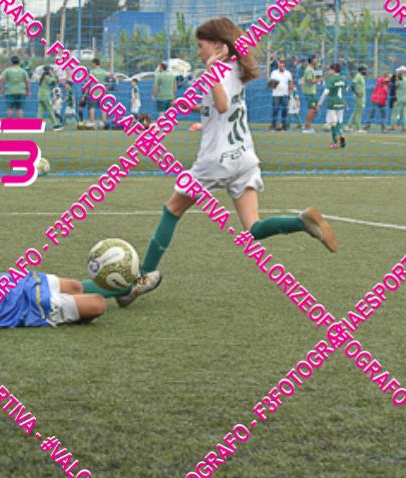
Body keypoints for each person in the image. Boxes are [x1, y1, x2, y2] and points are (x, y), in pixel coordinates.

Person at [130, 17, 338, 306]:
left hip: (217, 160)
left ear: (218, 45)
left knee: (171, 210)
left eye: (201, 45)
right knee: (253, 228)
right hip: (245, 157)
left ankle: (143, 276)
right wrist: (193, 105)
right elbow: (220, 105)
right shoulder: (237, 68)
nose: (199, 52)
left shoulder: (218, 71)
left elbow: (222, 104)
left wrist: (211, 68)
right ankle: (301, 222)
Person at [0, 225, 160, 332]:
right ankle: (123, 291)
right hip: (37, 306)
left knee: (75, 285)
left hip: (25, 282)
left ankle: (124, 291)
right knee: (97, 304)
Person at [317, 64, 346, 149]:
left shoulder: (331, 79)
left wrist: (320, 103)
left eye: (329, 70)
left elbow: (326, 92)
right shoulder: (343, 78)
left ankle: (335, 143)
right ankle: (342, 135)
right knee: (339, 122)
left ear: (333, 70)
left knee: (333, 123)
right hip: (341, 102)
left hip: (333, 102)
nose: (329, 71)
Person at [268, 59, 292, 130]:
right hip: (276, 94)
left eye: (282, 65)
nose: (281, 66)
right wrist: (274, 84)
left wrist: (289, 90)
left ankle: (284, 126)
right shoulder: (274, 73)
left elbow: (290, 82)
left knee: (285, 111)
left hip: (285, 94)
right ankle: (273, 125)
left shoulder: (288, 73)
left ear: (284, 66)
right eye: (280, 65)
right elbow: (271, 83)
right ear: (278, 65)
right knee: (275, 110)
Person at [301, 55, 321, 133]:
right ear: (312, 60)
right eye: (316, 59)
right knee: (312, 110)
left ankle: (308, 126)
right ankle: (306, 128)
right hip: (309, 93)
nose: (317, 60)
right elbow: (309, 81)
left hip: (312, 92)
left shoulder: (312, 69)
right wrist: (320, 80)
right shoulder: (309, 70)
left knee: (314, 109)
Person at [390, 66, 406, 132]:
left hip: (399, 98)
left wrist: (394, 78)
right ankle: (404, 128)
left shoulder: (400, 81)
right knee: (404, 114)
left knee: (395, 113)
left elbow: (394, 85)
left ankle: (392, 127)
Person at [347, 66, 367, 133]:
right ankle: (359, 128)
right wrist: (357, 93)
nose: (366, 71)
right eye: (365, 70)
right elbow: (352, 85)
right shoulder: (358, 76)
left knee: (356, 112)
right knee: (358, 113)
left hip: (361, 97)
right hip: (359, 97)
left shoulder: (361, 77)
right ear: (361, 70)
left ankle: (348, 126)